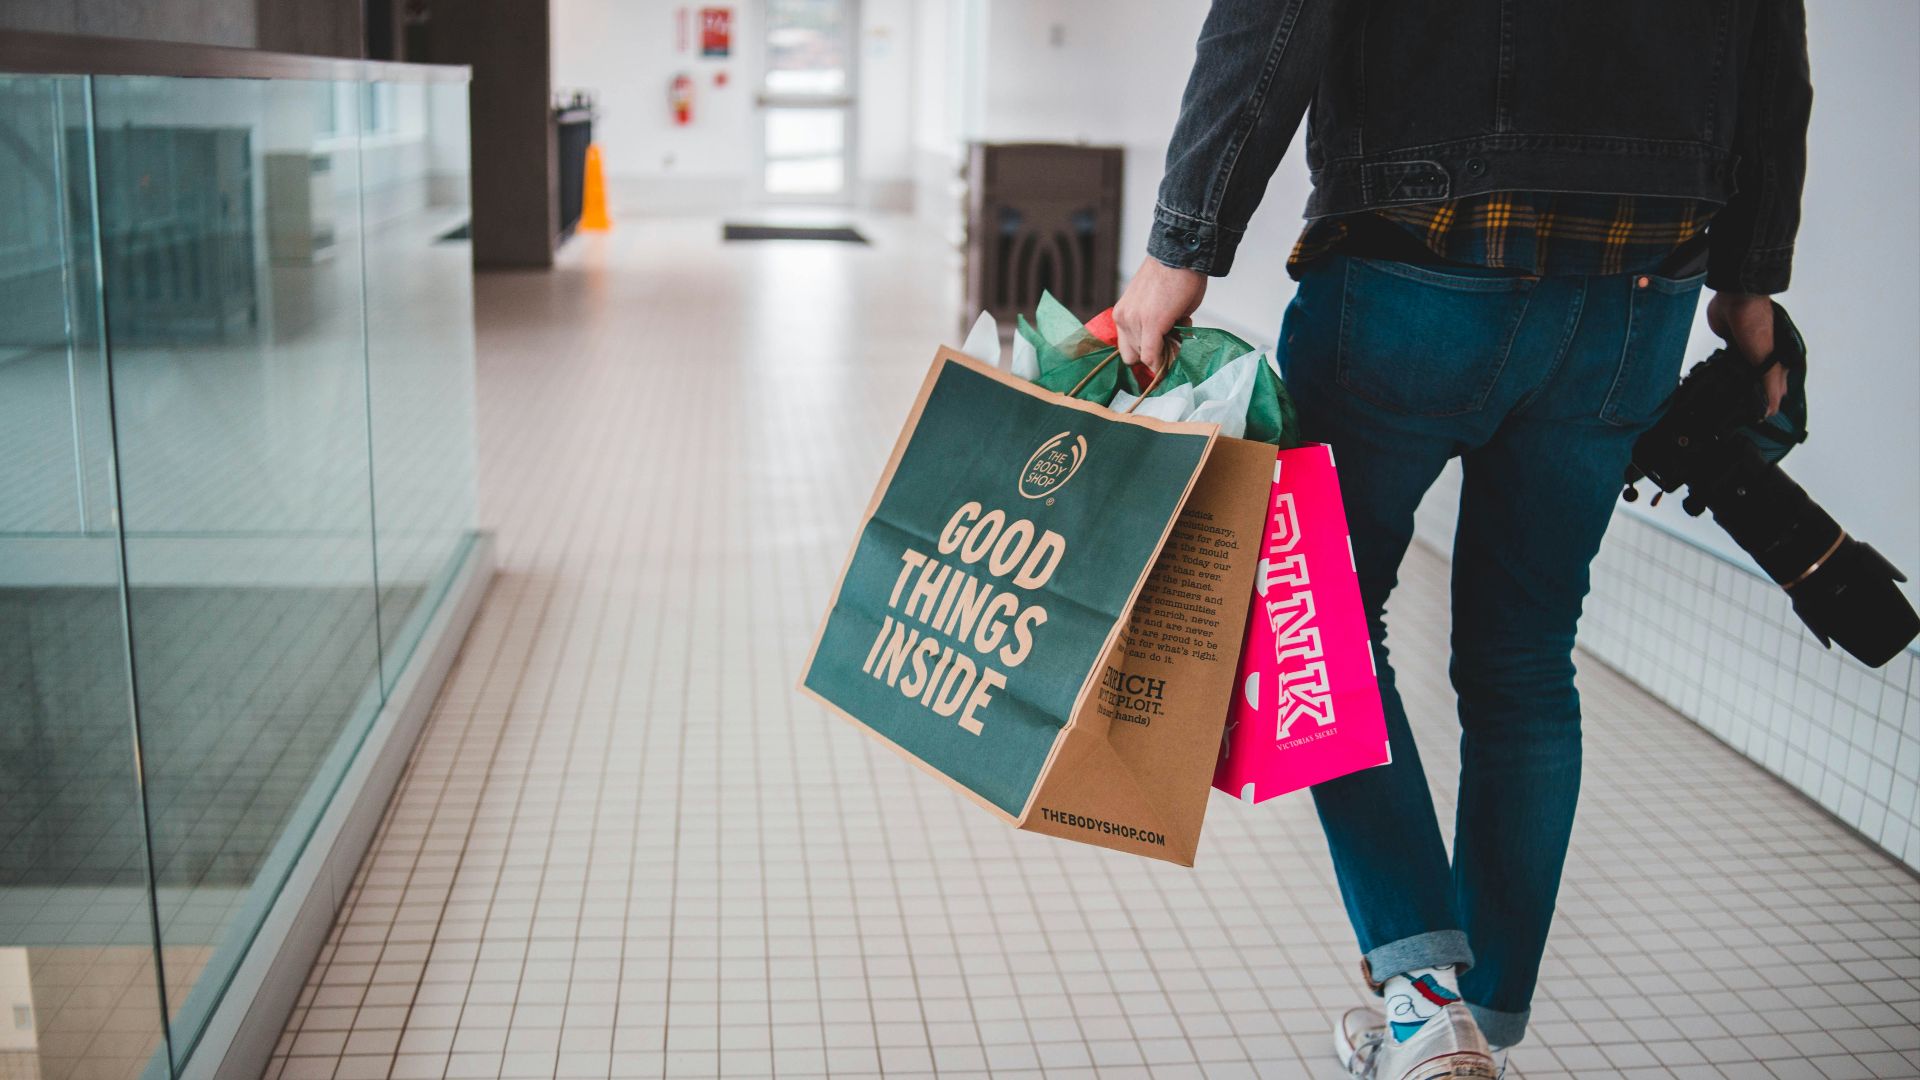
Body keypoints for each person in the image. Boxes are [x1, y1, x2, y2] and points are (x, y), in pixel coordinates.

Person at [1112, 3, 1811, 1078]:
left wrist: (1182, 244)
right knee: (1525, 657)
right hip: (1643, 280)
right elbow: (1772, 49)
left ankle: (1427, 1005)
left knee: (1327, 618)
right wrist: (1752, 284)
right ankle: (1486, 1008)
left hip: (1414, 258)